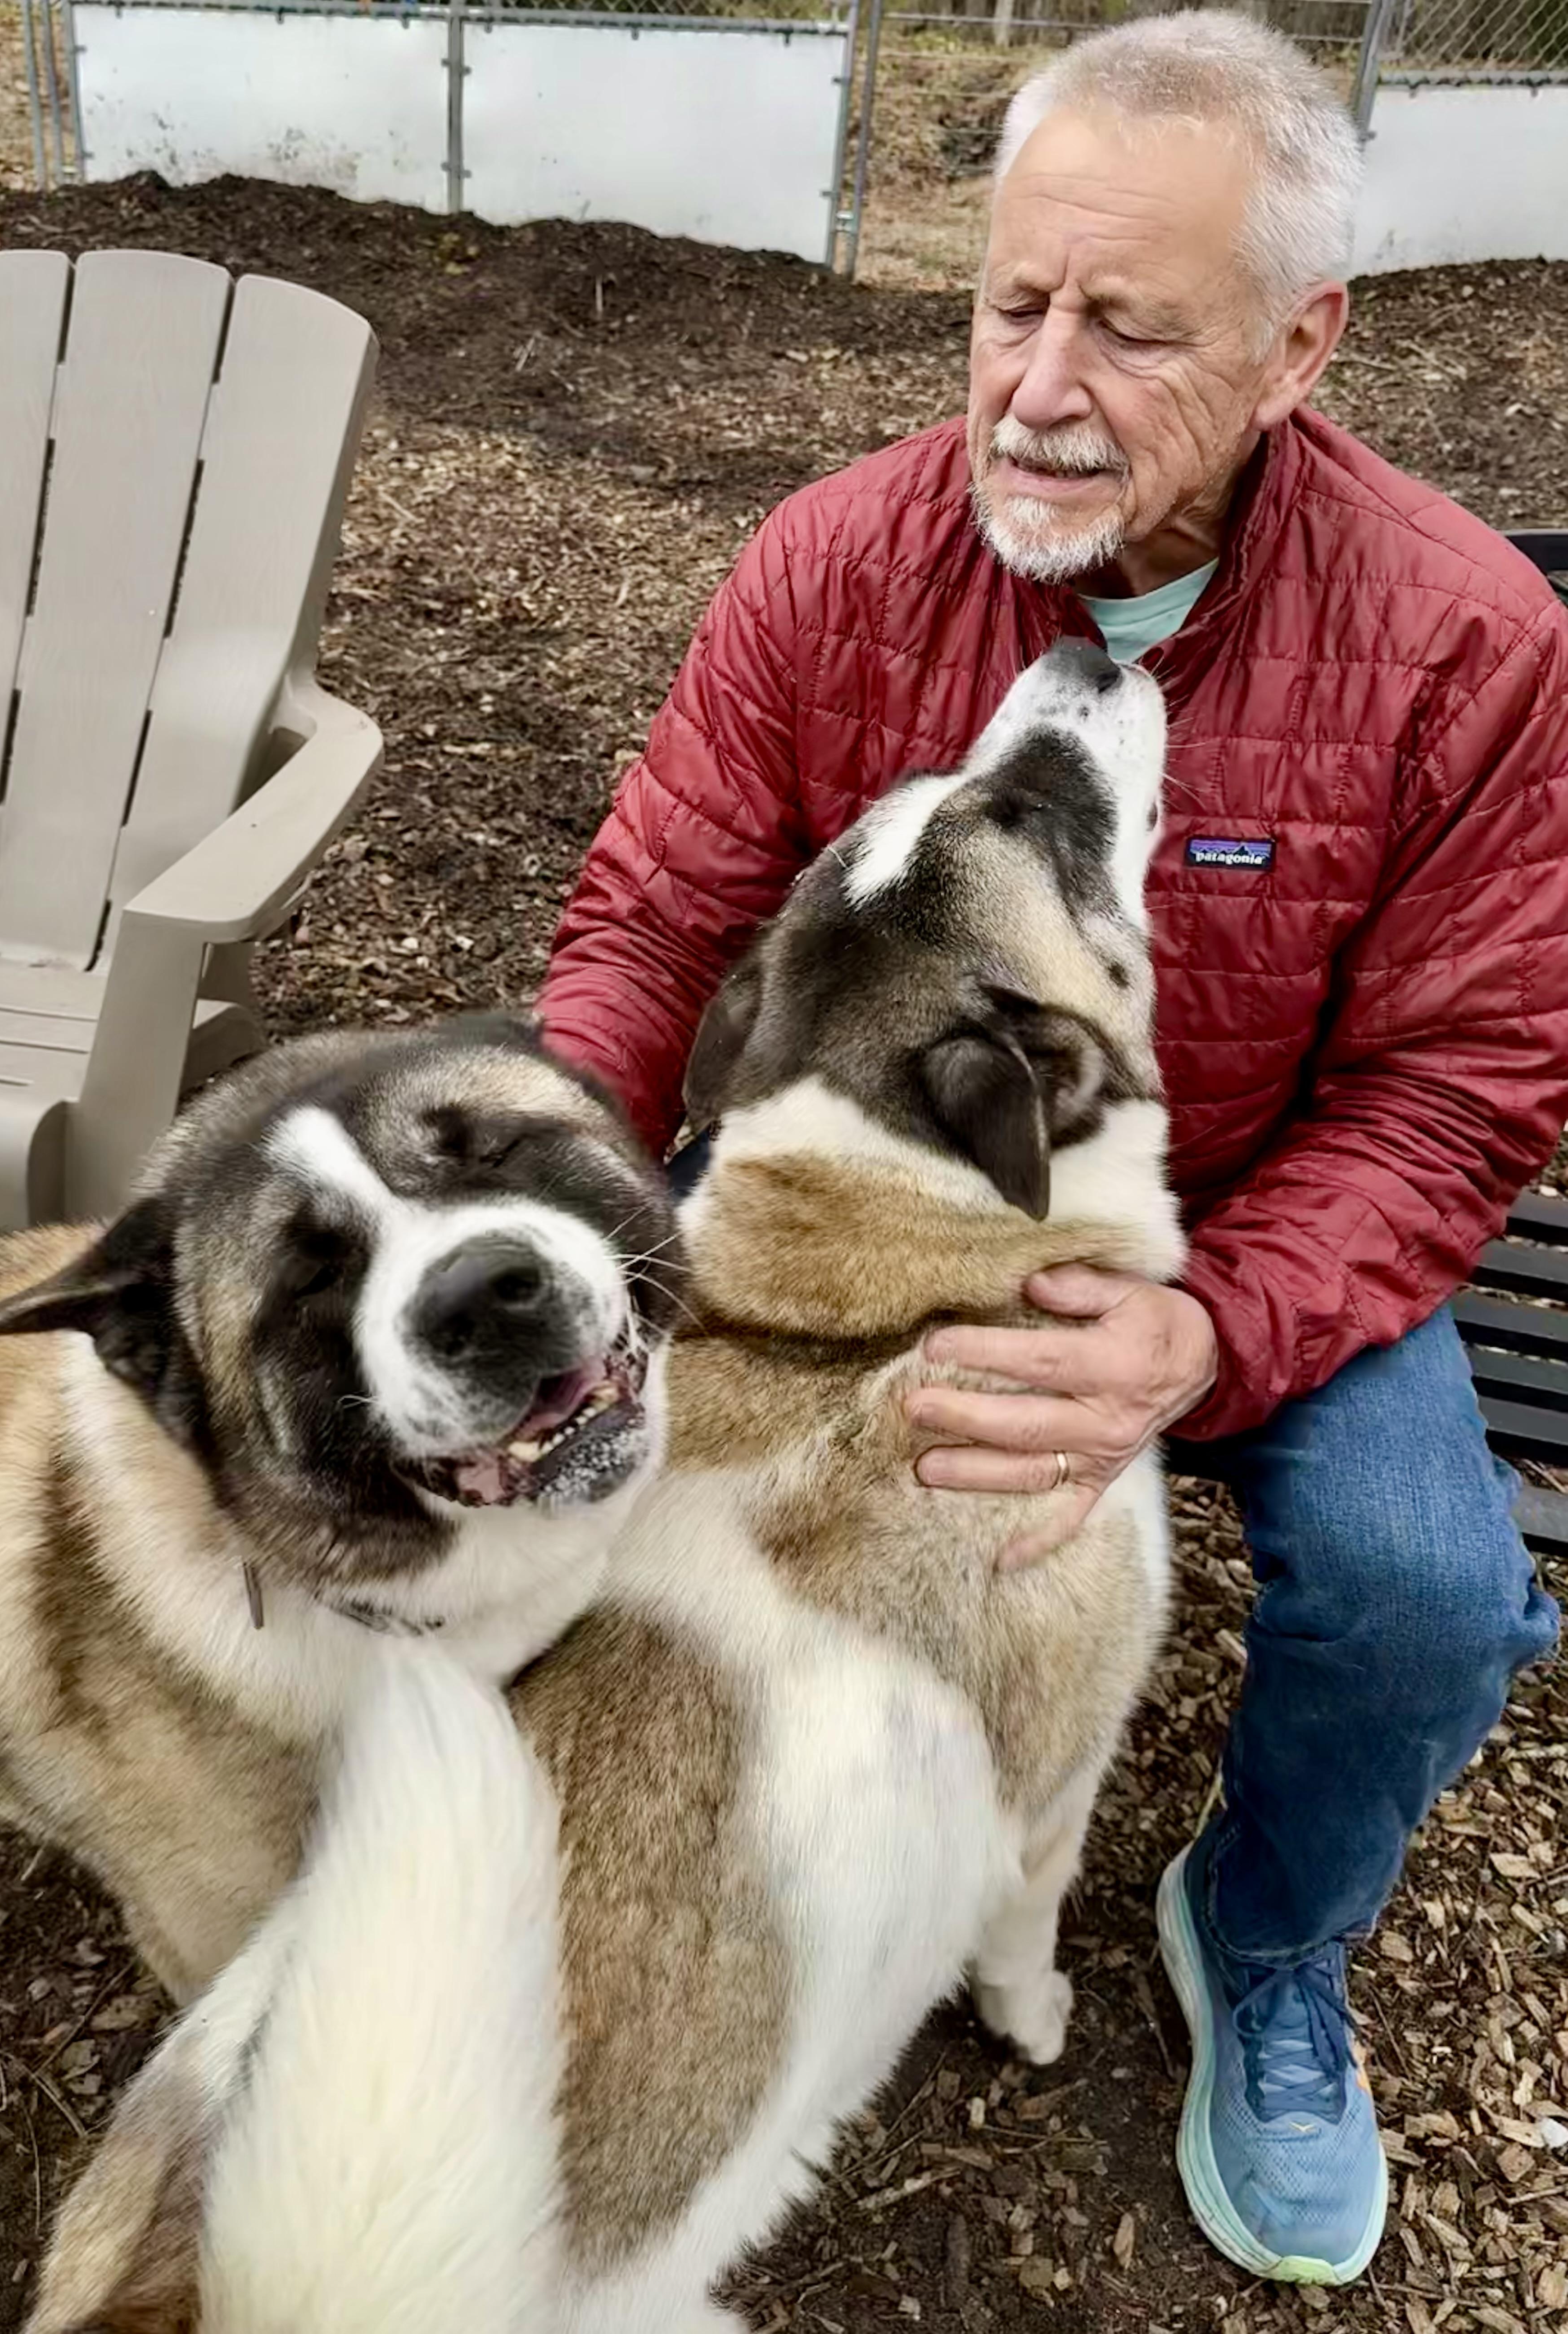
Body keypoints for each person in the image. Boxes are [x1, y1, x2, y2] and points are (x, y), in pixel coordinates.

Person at [537, 9, 1567, 2289]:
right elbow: (652, 921)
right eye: (1014, 303)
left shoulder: (1466, 641)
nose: (1035, 386)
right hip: (863, 1211)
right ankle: (685, 1874)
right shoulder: (837, 566)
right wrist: (547, 1207)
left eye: (1128, 324)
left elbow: (1469, 1082)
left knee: (1423, 1598)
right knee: (568, 1495)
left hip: (1248, 1228)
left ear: (1304, 345)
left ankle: (1266, 1937)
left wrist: (1216, 1326)